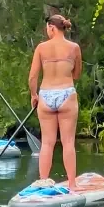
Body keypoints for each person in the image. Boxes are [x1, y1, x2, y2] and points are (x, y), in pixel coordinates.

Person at [28, 14, 82, 192]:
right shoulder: (74, 48)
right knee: (67, 142)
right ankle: (72, 184)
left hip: (46, 95)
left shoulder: (42, 48)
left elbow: (33, 77)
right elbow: (76, 74)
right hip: (67, 93)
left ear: (52, 27)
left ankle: (43, 181)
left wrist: (34, 95)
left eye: (47, 28)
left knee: (47, 143)